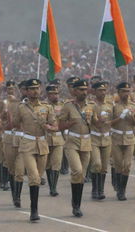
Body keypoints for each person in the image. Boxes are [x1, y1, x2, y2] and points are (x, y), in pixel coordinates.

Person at [13, 79, 57, 221]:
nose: (35, 91)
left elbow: (54, 125)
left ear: (41, 89)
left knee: (38, 178)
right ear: (26, 91)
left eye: (37, 88)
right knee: (34, 177)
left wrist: (49, 128)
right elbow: (15, 123)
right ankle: (34, 210)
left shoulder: (46, 107)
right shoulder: (21, 107)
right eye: (31, 89)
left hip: (42, 144)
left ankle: (34, 206)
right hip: (27, 144)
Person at [59, 79, 92, 217]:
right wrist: (70, 123)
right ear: (74, 91)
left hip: (87, 142)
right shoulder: (68, 106)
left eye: (85, 90)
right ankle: (76, 205)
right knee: (77, 171)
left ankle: (76, 204)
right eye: (81, 90)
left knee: (82, 176)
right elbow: (60, 126)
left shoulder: (91, 106)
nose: (84, 92)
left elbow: (96, 123)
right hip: (72, 141)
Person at [111, 82, 135, 201]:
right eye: (123, 91)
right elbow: (109, 123)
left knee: (127, 165)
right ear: (118, 92)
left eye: (128, 91)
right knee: (118, 165)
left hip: (129, 138)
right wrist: (120, 117)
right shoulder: (114, 106)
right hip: (117, 138)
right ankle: (118, 186)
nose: (126, 94)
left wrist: (131, 116)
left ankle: (122, 191)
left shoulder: (133, 106)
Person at [90, 82, 113, 200]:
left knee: (104, 167)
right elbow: (94, 122)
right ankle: (94, 189)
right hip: (94, 138)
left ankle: (101, 190)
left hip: (106, 138)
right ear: (94, 92)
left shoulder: (109, 105)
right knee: (96, 164)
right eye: (100, 90)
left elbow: (114, 120)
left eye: (104, 90)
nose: (103, 92)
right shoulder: (91, 105)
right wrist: (99, 121)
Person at [45, 85, 65, 196]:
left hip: (58, 137)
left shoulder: (63, 105)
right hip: (46, 137)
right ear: (48, 95)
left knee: (56, 163)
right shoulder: (43, 106)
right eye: (53, 94)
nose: (56, 96)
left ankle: (54, 187)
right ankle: (50, 184)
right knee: (47, 164)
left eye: (57, 93)